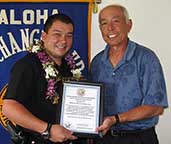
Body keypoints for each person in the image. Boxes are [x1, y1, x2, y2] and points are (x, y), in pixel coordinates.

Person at [89, 4, 168, 144]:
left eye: (116, 21)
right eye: (104, 23)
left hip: (138, 138)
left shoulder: (146, 58)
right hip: (104, 138)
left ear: (129, 25)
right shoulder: (96, 62)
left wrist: (116, 119)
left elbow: (156, 107)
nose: (110, 28)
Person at [2, 13, 85, 144]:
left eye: (69, 35)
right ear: (44, 36)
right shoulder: (28, 65)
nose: (63, 41)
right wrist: (48, 130)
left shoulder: (69, 67)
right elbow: (9, 108)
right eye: (57, 34)